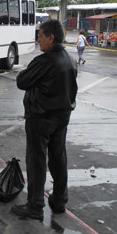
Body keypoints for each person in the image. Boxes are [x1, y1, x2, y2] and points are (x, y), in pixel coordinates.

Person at [11, 19, 78, 221]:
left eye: (40, 36)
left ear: (51, 37)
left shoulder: (45, 60)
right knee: (58, 158)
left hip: (41, 117)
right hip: (62, 116)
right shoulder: (69, 57)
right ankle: (59, 200)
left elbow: (22, 81)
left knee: (37, 161)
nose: (38, 40)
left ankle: (35, 206)